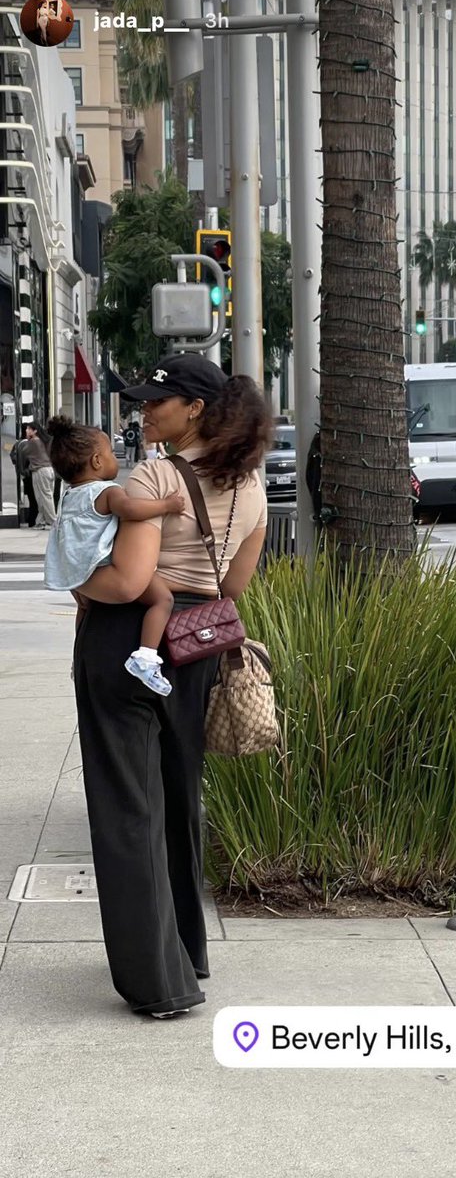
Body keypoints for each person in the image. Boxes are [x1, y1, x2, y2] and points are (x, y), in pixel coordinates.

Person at [72, 354, 272, 1018]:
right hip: (200, 644)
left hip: (129, 642)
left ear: (196, 408)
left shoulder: (154, 474)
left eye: (157, 401)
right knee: (180, 798)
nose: (144, 411)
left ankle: (159, 981)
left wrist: (74, 583)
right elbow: (234, 585)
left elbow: (128, 582)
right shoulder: (250, 487)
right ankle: (187, 949)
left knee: (127, 804)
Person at [44, 416, 186, 696]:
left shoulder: (70, 495)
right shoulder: (107, 491)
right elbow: (131, 509)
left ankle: (79, 657)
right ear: (97, 461)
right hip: (105, 571)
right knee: (162, 599)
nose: (114, 459)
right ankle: (146, 657)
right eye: (110, 453)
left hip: (79, 575)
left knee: (85, 610)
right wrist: (167, 504)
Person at [24, 422, 57, 528]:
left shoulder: (33, 441)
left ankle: (53, 521)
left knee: (44, 497)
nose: (26, 431)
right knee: (44, 496)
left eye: (29, 429)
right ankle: (40, 521)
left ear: (35, 431)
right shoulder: (44, 441)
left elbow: (24, 452)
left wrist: (27, 439)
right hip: (49, 470)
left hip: (40, 471)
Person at [10, 431, 39, 527]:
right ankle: (32, 519)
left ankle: (29, 518)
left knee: (29, 497)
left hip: (22, 475)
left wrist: (19, 467)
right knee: (34, 498)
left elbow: (12, 456)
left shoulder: (17, 444)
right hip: (31, 474)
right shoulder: (30, 445)